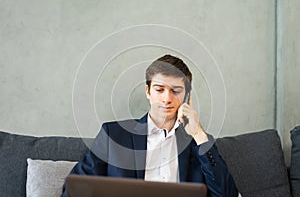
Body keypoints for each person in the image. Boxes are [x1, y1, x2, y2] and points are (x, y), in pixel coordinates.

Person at [61, 54, 238, 196]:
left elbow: (226, 194)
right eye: (159, 89)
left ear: (186, 96)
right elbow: (74, 190)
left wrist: (198, 134)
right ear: (148, 91)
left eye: (176, 91)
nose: (167, 98)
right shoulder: (113, 135)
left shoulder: (199, 143)